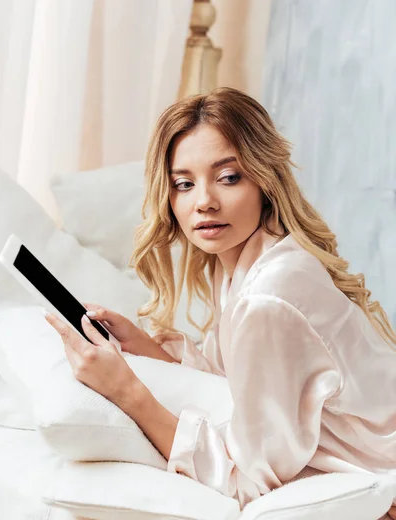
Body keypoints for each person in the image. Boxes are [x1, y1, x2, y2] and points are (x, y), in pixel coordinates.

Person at [45, 87, 396, 516]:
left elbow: (247, 481)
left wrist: (127, 391)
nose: (204, 202)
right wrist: (149, 351)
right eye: (184, 184)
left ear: (265, 181)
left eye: (228, 177)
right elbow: (237, 383)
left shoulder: (268, 297)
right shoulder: (249, 261)